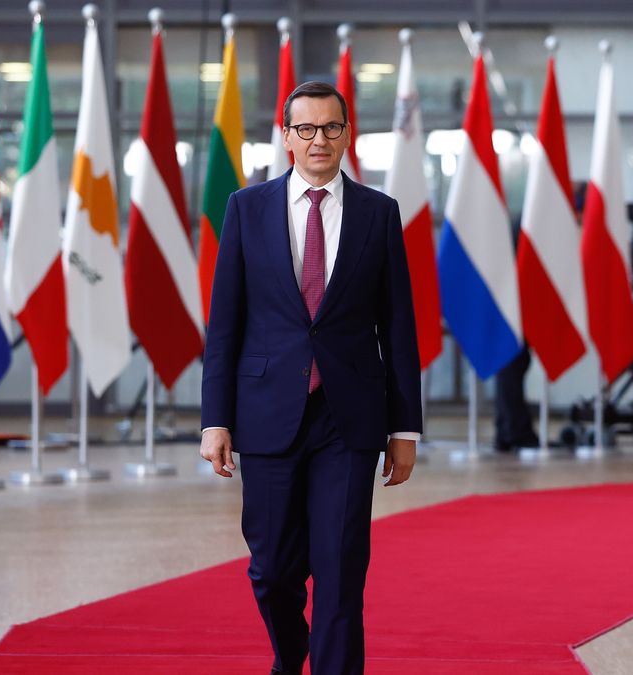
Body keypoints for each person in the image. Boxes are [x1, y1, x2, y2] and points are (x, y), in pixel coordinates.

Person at [199, 81, 423, 675]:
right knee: (271, 570)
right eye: (306, 128)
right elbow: (224, 324)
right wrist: (215, 419)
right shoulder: (247, 209)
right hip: (267, 413)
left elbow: (398, 326)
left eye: (330, 128)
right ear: (287, 136)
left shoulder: (380, 213)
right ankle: (291, 652)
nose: (318, 139)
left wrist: (405, 428)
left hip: (348, 421)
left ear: (347, 135)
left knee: (342, 570)